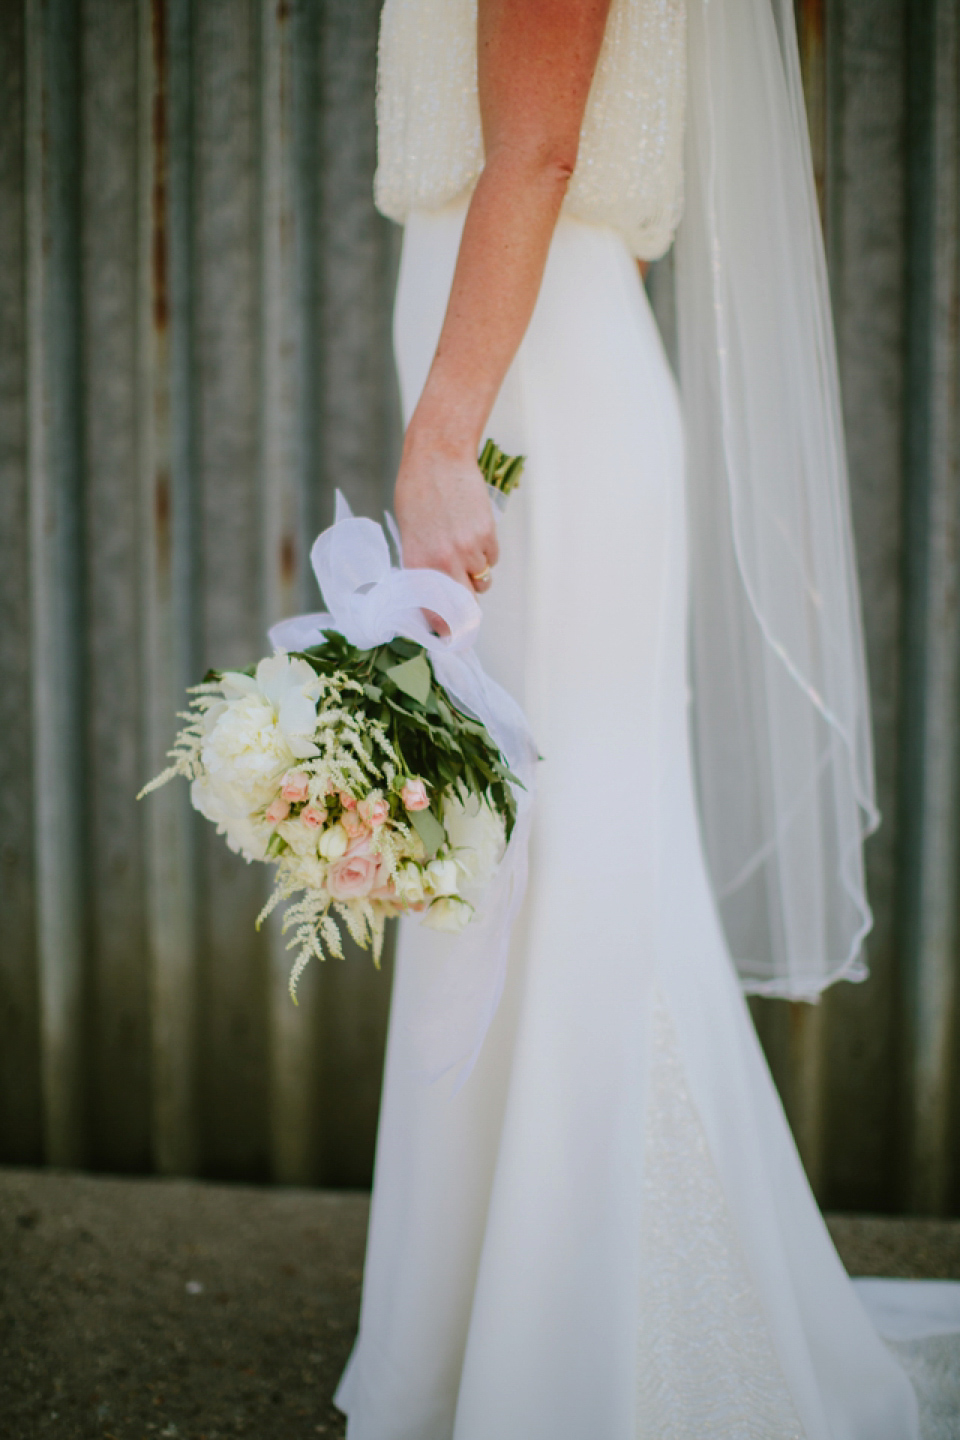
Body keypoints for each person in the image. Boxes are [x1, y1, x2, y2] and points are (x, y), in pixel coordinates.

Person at [334, 1, 960, 1436]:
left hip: (529, 394)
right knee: (508, 855)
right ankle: (487, 1336)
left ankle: (574, 1356)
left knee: (569, 846)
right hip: (516, 370)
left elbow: (540, 148)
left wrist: (440, 435)